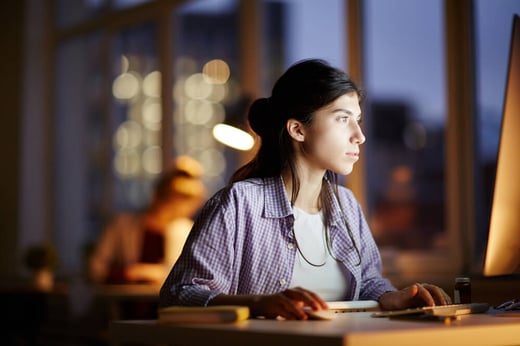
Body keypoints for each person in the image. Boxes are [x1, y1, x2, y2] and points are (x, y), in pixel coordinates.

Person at [159, 59, 452, 320]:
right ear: (298, 129)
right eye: (342, 119)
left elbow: (368, 281)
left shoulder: (346, 204)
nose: (359, 136)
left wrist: (393, 297)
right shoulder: (239, 203)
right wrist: (259, 305)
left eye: (358, 121)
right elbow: (179, 294)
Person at [88, 155, 207, 285]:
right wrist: (133, 273)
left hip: (166, 303)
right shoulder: (122, 225)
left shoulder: (185, 231)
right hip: (125, 301)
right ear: (158, 195)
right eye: (173, 200)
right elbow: (96, 268)